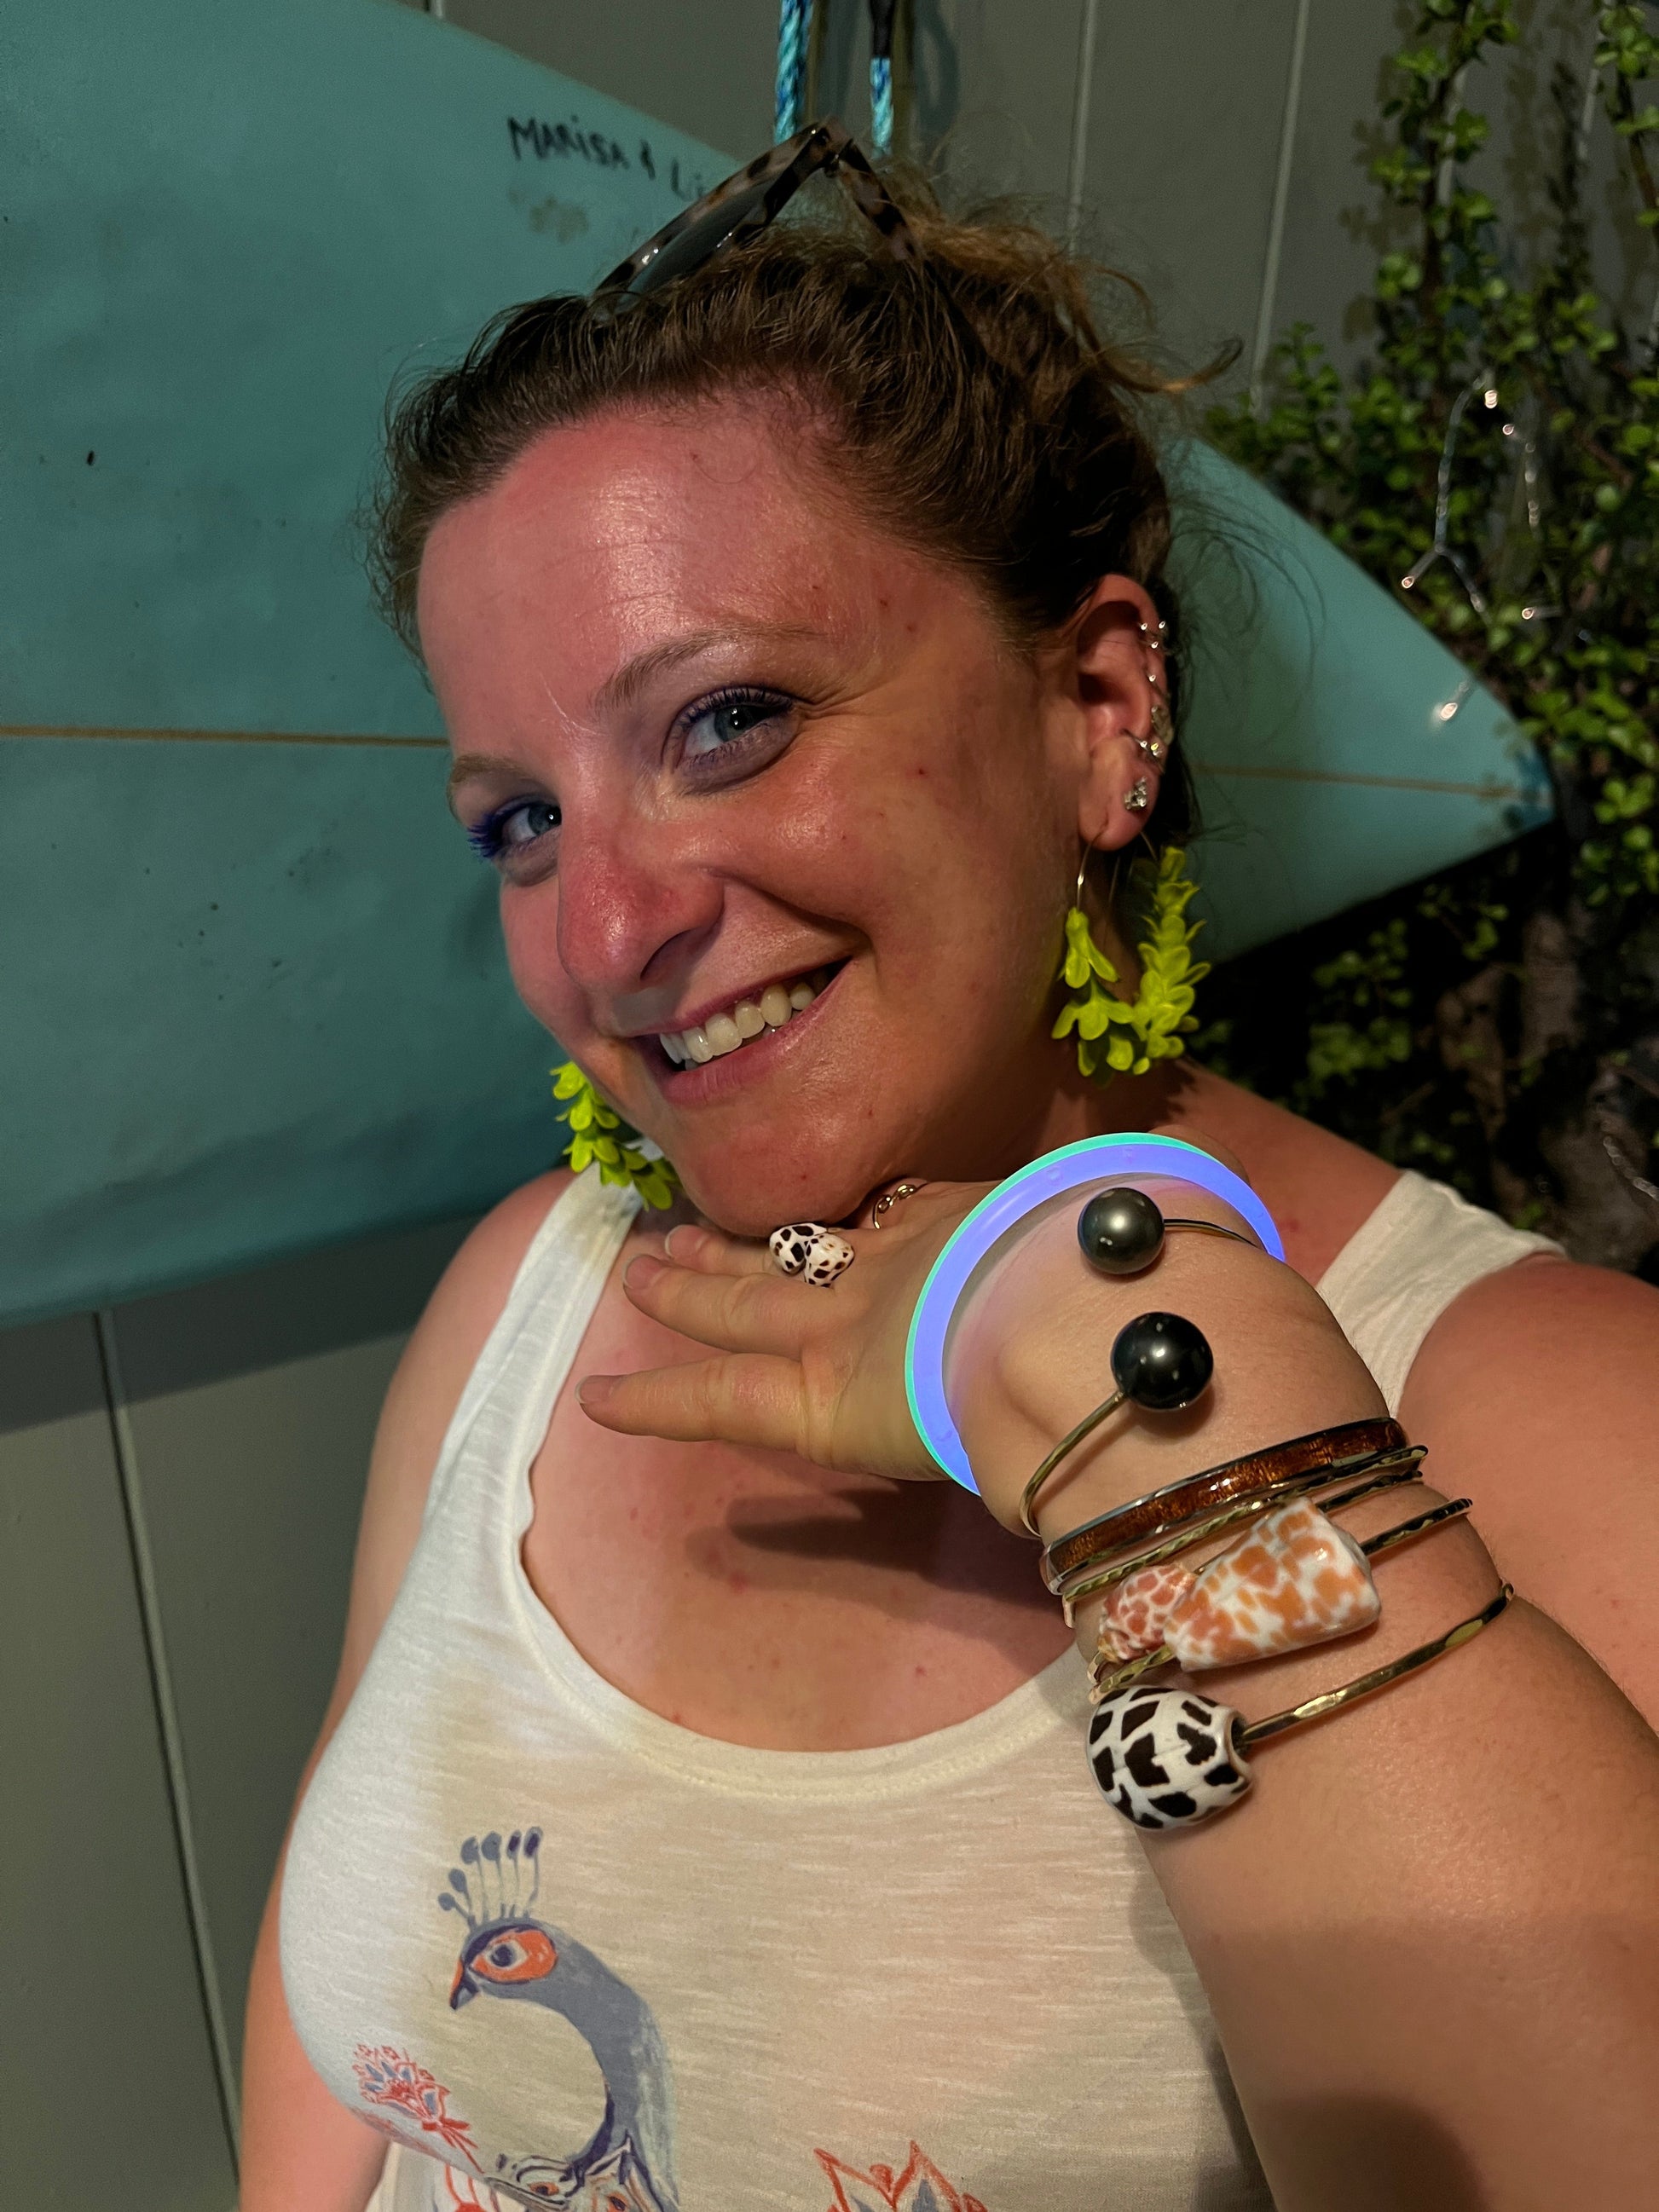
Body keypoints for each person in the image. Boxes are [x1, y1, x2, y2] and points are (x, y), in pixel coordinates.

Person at [240, 131, 1659, 2212]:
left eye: (727, 719)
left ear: (1095, 704)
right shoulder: (522, 1303)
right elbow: (355, 2055)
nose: (606, 929)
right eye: (518, 820)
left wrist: (1105, 1342)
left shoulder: (1561, 1426)